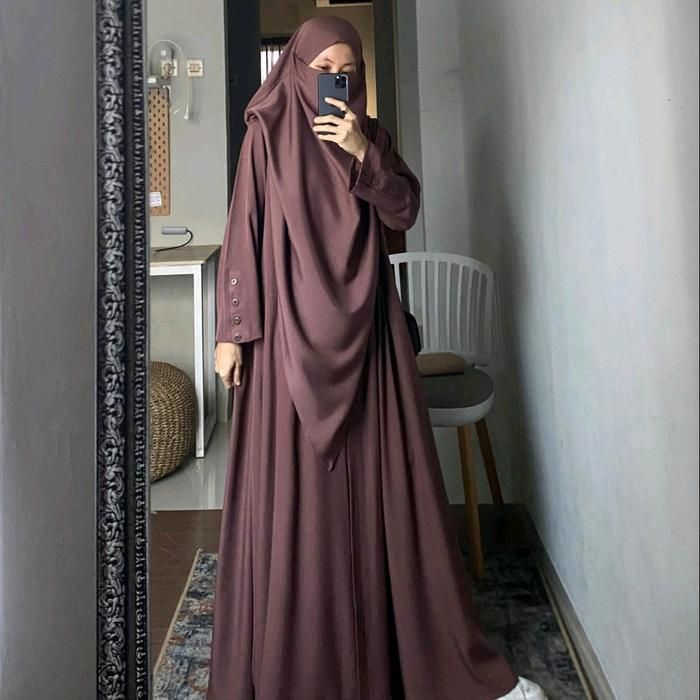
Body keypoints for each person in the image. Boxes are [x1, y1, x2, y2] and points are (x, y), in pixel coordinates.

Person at [208, 15, 547, 700]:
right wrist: (231, 331)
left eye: (349, 70)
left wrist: (363, 151)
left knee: (384, 493)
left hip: (370, 340)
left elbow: (403, 213)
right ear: (295, 72)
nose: (337, 81)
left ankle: (403, 649)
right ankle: (297, 663)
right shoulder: (266, 137)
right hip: (285, 343)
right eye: (323, 69)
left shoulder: (374, 138)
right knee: (295, 502)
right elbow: (243, 231)